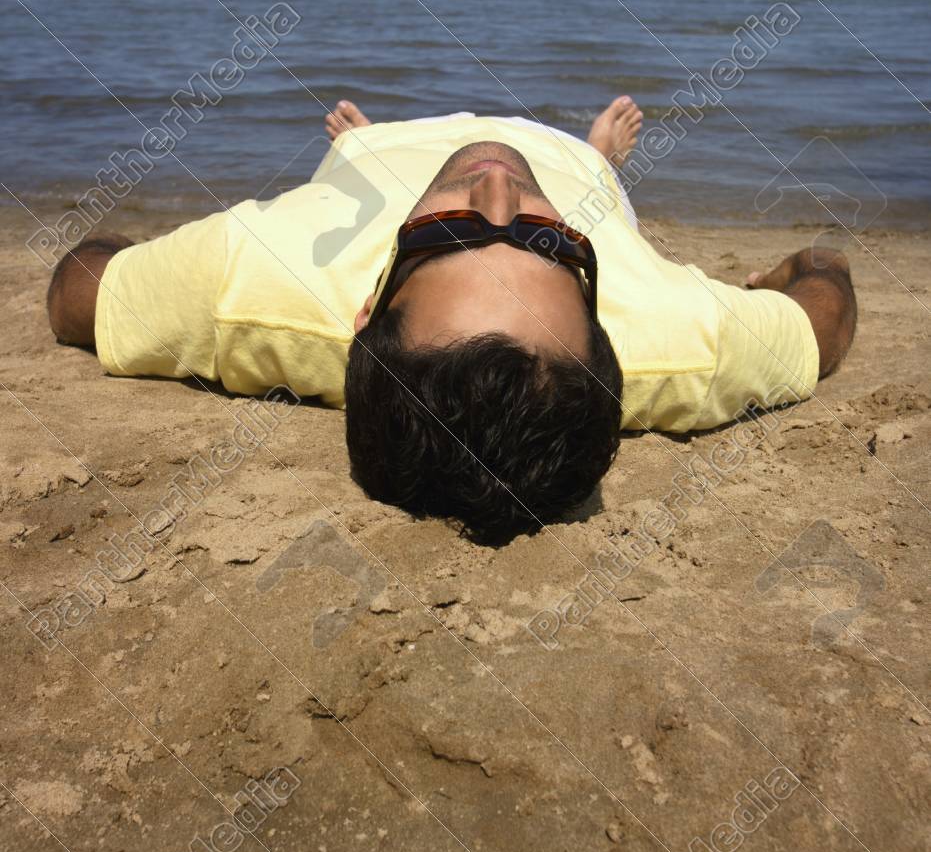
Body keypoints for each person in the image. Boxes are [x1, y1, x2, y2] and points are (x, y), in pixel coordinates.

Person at [47, 96, 856, 545]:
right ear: (600, 313)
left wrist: (137, 252)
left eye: (449, 235)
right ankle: (598, 164)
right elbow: (821, 313)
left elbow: (79, 286)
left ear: (367, 308)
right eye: (546, 241)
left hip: (394, 146)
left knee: (353, 158)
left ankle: (361, 152)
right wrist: (798, 267)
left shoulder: (254, 276)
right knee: (589, 176)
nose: (497, 191)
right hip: (558, 155)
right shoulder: (678, 339)